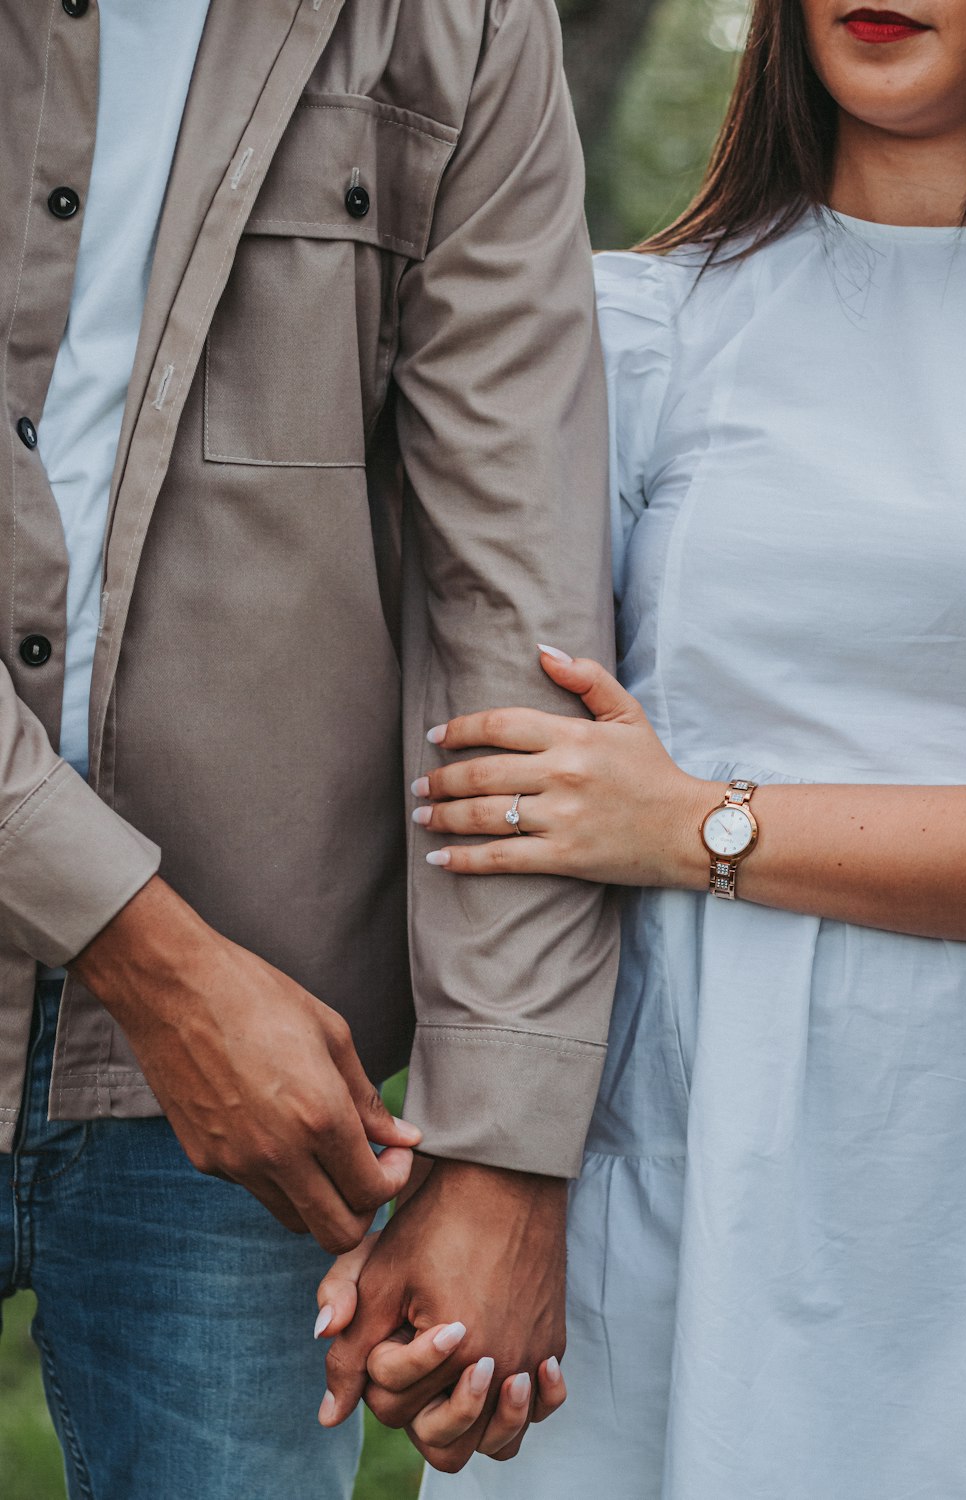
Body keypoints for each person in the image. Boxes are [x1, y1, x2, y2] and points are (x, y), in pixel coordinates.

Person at [350, 0, 966, 1491]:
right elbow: (490, 763)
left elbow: (640, 809)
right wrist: (478, 1169)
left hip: (962, 1176)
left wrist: (702, 824)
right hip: (669, 1140)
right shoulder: (629, 329)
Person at [0, 2, 618, 1496]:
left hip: (262, 1099)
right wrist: (150, 957)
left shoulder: (456, 24)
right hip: (225, 1025)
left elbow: (513, 605)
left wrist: (505, 1144)